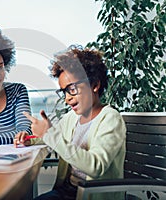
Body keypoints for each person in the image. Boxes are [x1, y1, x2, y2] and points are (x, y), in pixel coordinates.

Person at [14, 45, 126, 200]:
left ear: (95, 85)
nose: (67, 98)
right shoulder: (71, 118)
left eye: (72, 89)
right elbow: (52, 139)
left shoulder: (110, 119)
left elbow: (96, 167)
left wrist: (49, 134)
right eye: (64, 91)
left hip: (90, 194)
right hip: (67, 190)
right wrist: (29, 139)